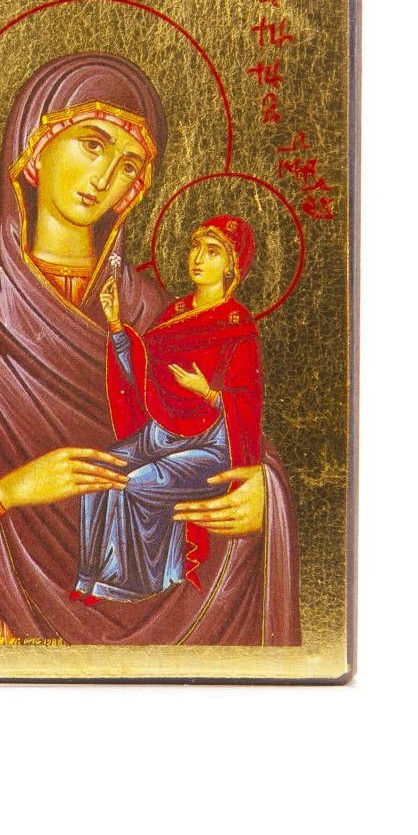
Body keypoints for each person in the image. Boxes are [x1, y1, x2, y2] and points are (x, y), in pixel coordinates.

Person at [0, 51, 301, 646]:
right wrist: (9, 493)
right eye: (92, 145)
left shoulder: (159, 314)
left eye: (128, 164)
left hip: (167, 614)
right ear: (35, 149)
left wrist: (264, 497)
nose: (105, 177)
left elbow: (232, 433)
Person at [74, 216, 264, 604]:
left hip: (210, 446)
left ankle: (127, 586)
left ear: (231, 266)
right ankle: (89, 580)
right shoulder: (176, 313)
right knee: (98, 472)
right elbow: (143, 378)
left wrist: (207, 392)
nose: (198, 258)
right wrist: (116, 325)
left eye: (213, 252)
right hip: (161, 433)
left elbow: (247, 404)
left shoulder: (237, 326)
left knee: (136, 484)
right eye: (196, 248)